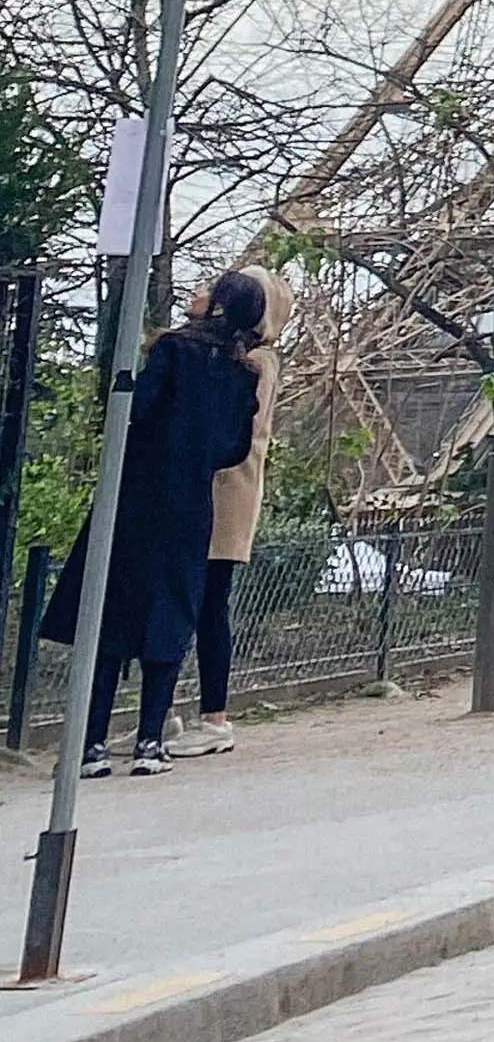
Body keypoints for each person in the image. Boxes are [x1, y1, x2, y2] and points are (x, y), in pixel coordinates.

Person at [46, 271, 267, 773]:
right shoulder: (243, 373)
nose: (198, 293)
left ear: (218, 305)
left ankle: (91, 743)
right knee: (171, 614)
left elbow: (138, 411)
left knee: (111, 612)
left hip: (137, 496)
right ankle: (150, 741)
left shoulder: (172, 350)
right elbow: (235, 447)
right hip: (191, 504)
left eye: (208, 289)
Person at [184, 261, 283, 754]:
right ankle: (179, 713)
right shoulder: (248, 356)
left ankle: (214, 717)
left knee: (207, 604)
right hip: (222, 490)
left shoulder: (253, 362)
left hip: (224, 491)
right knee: (196, 603)